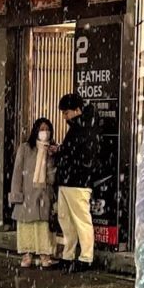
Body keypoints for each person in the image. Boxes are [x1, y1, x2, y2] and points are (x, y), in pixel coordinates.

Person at [53, 93, 102, 273]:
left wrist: (61, 151)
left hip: (77, 181)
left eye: (66, 113)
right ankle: (69, 255)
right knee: (66, 220)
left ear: (76, 110)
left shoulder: (84, 127)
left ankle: (85, 257)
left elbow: (82, 155)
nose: (64, 116)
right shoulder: (80, 126)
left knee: (79, 220)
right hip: (70, 181)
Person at [10, 118, 58, 269]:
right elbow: (17, 172)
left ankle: (45, 255)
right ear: (36, 130)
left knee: (42, 226)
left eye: (47, 129)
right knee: (26, 225)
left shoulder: (51, 150)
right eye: (42, 128)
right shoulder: (25, 148)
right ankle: (27, 255)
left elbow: (52, 176)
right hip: (27, 194)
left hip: (43, 194)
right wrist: (16, 194)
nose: (45, 132)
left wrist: (50, 155)